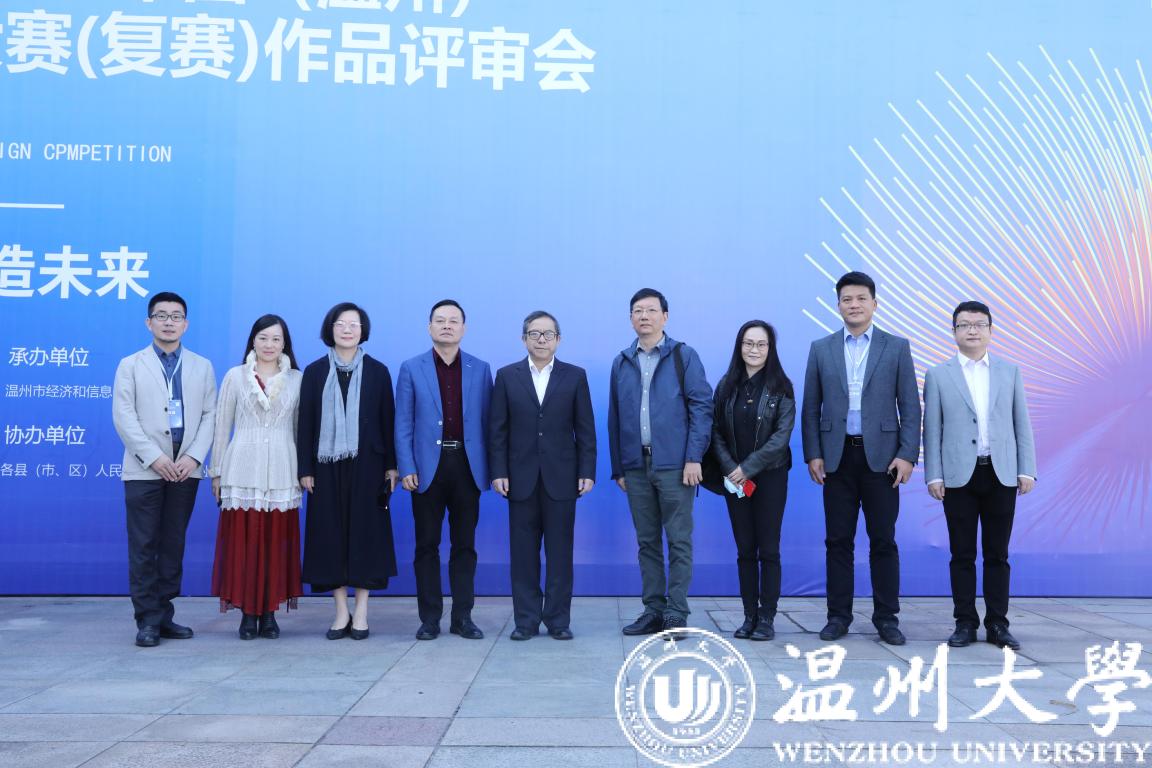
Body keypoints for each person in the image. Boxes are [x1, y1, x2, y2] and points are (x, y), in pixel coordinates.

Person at [801, 271, 920, 645]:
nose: (854, 305)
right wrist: (813, 453)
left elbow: (910, 406)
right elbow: (811, 407)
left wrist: (907, 455)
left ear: (874, 303)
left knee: (883, 540)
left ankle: (887, 618)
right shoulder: (821, 348)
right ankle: (838, 617)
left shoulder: (895, 347)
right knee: (838, 541)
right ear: (838, 305)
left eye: (861, 298)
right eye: (847, 299)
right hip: (836, 459)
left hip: (883, 461)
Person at [923, 301, 1036, 651]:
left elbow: (1021, 422)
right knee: (961, 554)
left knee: (997, 554)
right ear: (953, 331)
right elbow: (932, 429)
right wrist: (933, 475)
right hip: (958, 476)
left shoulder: (1009, 372)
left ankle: (998, 624)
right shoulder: (938, 375)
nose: (972, 330)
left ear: (990, 330)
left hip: (1000, 473)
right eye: (964, 324)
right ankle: (965, 623)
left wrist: (1026, 468)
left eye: (979, 324)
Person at [112, 291, 217, 647]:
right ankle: (146, 620)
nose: (168, 322)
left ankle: (164, 614)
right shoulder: (130, 364)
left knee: (173, 544)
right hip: (145, 470)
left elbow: (210, 415)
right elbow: (124, 416)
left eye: (176, 316)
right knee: (144, 545)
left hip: (185, 470)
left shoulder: (202, 366)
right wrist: (154, 457)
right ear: (149, 322)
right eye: (161, 316)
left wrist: (194, 457)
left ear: (185, 324)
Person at [608, 288, 712, 636]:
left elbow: (702, 408)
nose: (644, 316)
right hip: (636, 467)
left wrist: (694, 457)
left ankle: (676, 612)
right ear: (630, 318)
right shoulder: (622, 361)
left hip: (676, 466)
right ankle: (653, 610)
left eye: (651, 310)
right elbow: (615, 417)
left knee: (679, 540)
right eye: (638, 310)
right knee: (647, 542)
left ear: (665, 317)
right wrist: (619, 467)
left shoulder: (684, 356)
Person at [489, 311, 596, 641]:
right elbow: (497, 430)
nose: (541, 340)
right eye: (534, 334)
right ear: (524, 339)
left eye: (548, 334)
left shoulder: (574, 376)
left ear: (558, 340)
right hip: (519, 478)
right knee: (523, 555)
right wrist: (498, 471)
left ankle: (558, 620)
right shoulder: (506, 376)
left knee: (560, 553)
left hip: (562, 478)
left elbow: (585, 429)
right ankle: (526, 620)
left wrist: (587, 471)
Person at [298, 302, 398, 640]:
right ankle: (341, 611)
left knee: (366, 535)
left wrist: (391, 466)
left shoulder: (378, 371)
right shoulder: (314, 372)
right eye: (340, 324)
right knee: (330, 535)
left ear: (363, 331)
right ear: (331, 329)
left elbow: (388, 421)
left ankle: (362, 611)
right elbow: (305, 423)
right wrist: (305, 468)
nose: (347, 330)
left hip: (369, 466)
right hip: (325, 467)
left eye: (354, 324)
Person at [395, 299, 492, 641]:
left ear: (463, 328)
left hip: (467, 466)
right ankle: (430, 619)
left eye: (453, 320)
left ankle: (463, 617)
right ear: (429, 327)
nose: (447, 325)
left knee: (465, 545)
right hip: (426, 469)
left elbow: (489, 422)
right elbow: (403, 422)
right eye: (440, 320)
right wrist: (406, 465)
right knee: (427, 546)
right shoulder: (411, 368)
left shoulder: (481, 369)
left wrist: (492, 468)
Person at [209, 314, 304, 640]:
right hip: (242, 468)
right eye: (263, 338)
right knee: (244, 544)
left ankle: (270, 614)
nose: (269, 344)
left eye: (276, 339)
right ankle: (248, 614)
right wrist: (216, 472)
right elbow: (221, 426)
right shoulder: (235, 377)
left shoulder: (296, 379)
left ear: (284, 343)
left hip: (282, 470)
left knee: (276, 544)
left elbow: (299, 430)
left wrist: (302, 472)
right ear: (253, 340)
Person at [708, 320, 795, 641]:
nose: (754, 350)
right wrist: (732, 467)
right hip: (735, 480)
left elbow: (781, 438)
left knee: (768, 549)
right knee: (745, 549)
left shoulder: (782, 386)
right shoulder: (726, 385)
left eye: (761, 344)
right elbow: (714, 430)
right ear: (739, 346)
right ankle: (749, 617)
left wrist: (748, 468)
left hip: (771, 476)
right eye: (748, 343)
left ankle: (767, 618)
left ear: (770, 349)